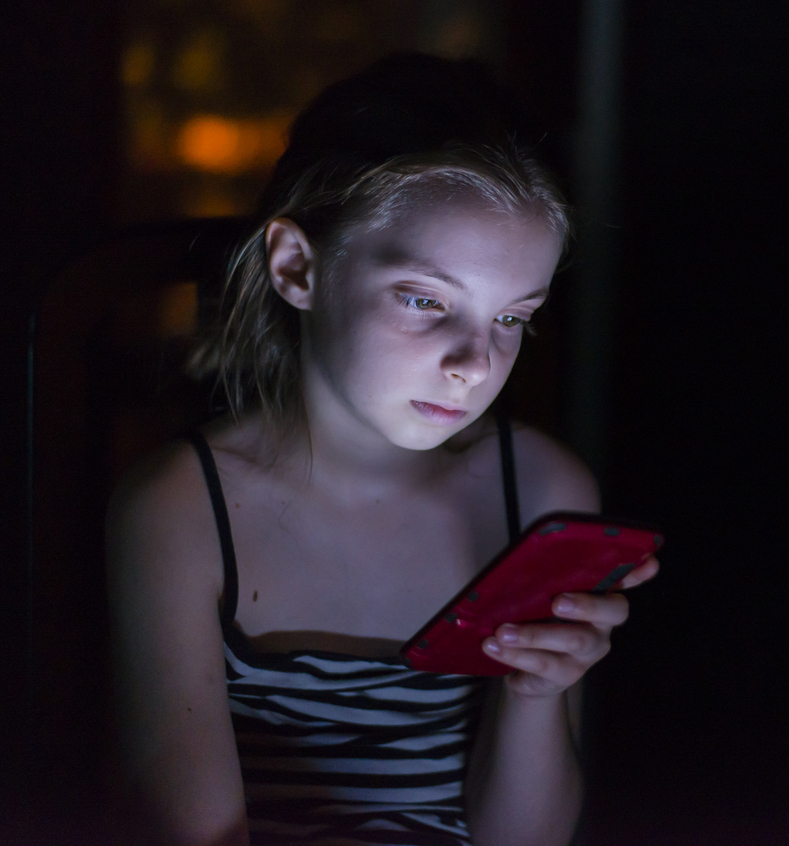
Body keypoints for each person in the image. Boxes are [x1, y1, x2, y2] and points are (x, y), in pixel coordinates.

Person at [106, 53, 657, 846]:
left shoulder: (536, 488)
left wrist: (539, 691)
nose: (474, 362)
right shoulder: (184, 508)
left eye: (510, 318)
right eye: (424, 300)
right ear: (297, 266)